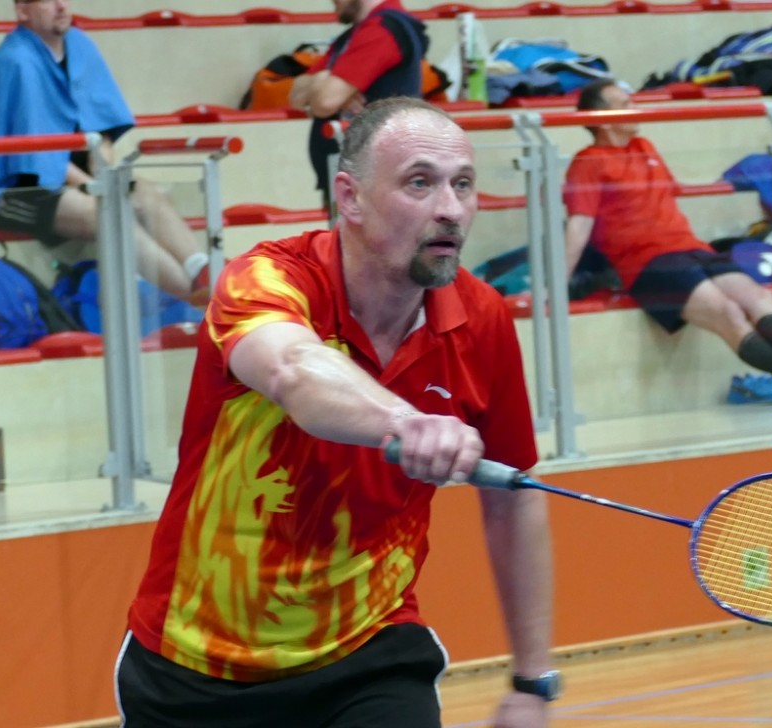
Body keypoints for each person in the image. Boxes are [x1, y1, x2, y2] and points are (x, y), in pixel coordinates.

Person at [115, 97, 557, 727]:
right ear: (350, 197)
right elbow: (293, 369)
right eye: (420, 183)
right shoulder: (266, 279)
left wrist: (532, 681)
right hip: (194, 665)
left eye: (463, 185)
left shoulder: (481, 319)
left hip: (367, 653)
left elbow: (514, 497)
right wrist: (406, 422)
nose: (451, 209)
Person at [562, 79, 772, 407]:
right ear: (603, 120)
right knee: (728, 313)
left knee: (758, 297)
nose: (634, 108)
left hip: (692, 248)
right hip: (647, 264)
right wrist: (556, 284)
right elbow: (579, 226)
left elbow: (671, 192)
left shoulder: (644, 146)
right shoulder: (587, 163)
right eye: (624, 104)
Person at [0, 0, 210, 305]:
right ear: (22, 12)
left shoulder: (79, 44)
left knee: (150, 195)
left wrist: (105, 170)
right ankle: (196, 295)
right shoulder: (16, 60)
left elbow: (102, 126)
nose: (61, 6)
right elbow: (37, 153)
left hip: (78, 178)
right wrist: (97, 188)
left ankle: (204, 273)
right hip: (20, 188)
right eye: (48, 1)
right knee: (109, 214)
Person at [289, 0, 428, 204]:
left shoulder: (381, 30)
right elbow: (294, 94)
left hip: (372, 179)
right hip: (358, 177)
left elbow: (325, 102)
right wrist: (323, 80)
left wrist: (323, 88)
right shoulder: (354, 34)